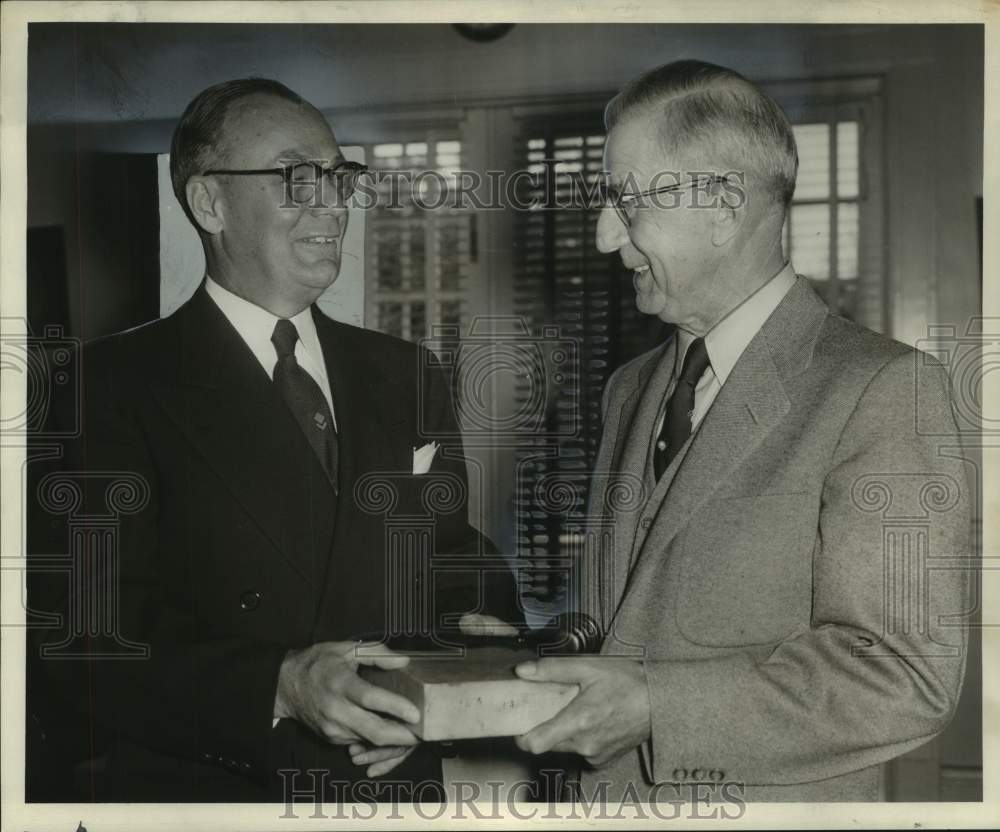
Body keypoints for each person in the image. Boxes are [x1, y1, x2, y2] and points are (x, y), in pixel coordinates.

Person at [36, 78, 518, 802]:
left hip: (397, 777)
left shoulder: (405, 372)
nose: (333, 203)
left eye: (339, 175)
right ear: (209, 203)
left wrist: (468, 632)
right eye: (299, 178)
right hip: (217, 786)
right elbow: (88, 642)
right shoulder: (105, 387)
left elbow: (450, 552)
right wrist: (281, 684)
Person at [510, 60, 971, 802]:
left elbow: (903, 674)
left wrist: (658, 706)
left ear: (722, 205)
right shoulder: (630, 388)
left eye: (627, 204)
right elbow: (630, 623)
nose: (603, 237)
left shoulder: (884, 391)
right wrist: (519, 651)